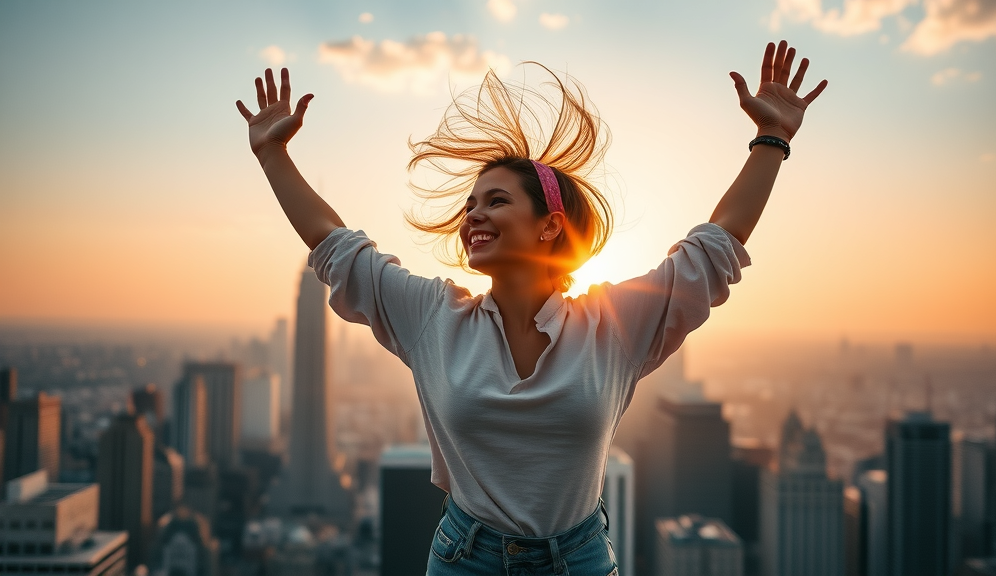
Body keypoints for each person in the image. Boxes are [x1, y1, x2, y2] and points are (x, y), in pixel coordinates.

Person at [236, 40, 826, 575]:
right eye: (470, 205)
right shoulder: (433, 317)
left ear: (549, 226)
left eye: (496, 201)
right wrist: (272, 155)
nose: (473, 216)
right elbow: (337, 247)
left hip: (580, 561)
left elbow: (713, 249)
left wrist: (771, 141)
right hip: (465, 559)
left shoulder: (613, 327)